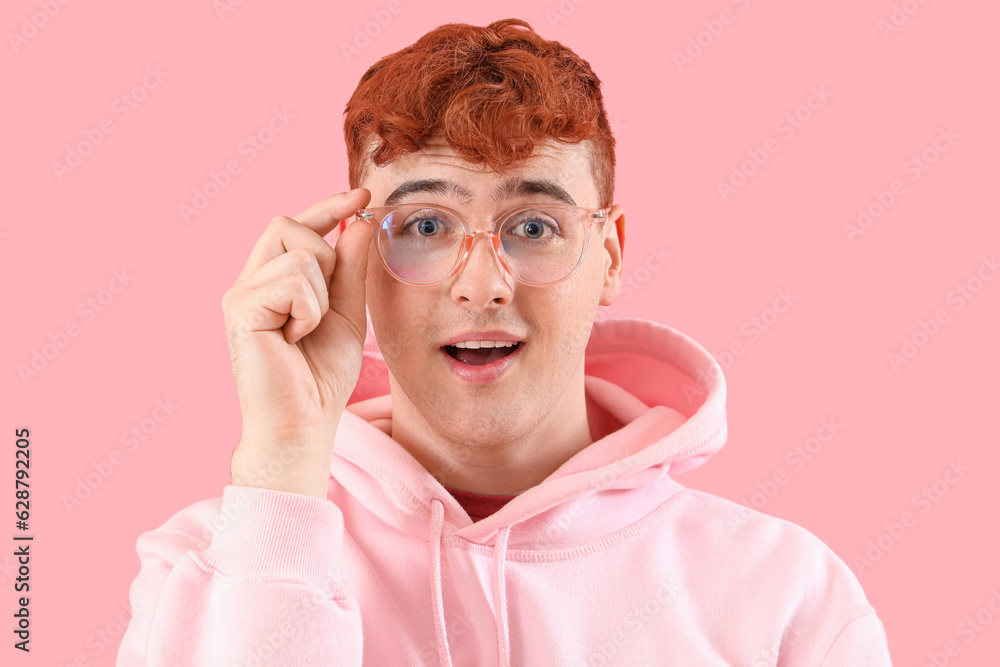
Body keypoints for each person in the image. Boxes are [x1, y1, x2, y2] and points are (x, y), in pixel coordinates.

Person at [117, 18, 892, 666]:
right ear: (353, 258)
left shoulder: (790, 598)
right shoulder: (211, 569)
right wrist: (283, 469)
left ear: (611, 254)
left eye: (532, 227)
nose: (482, 284)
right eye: (425, 226)